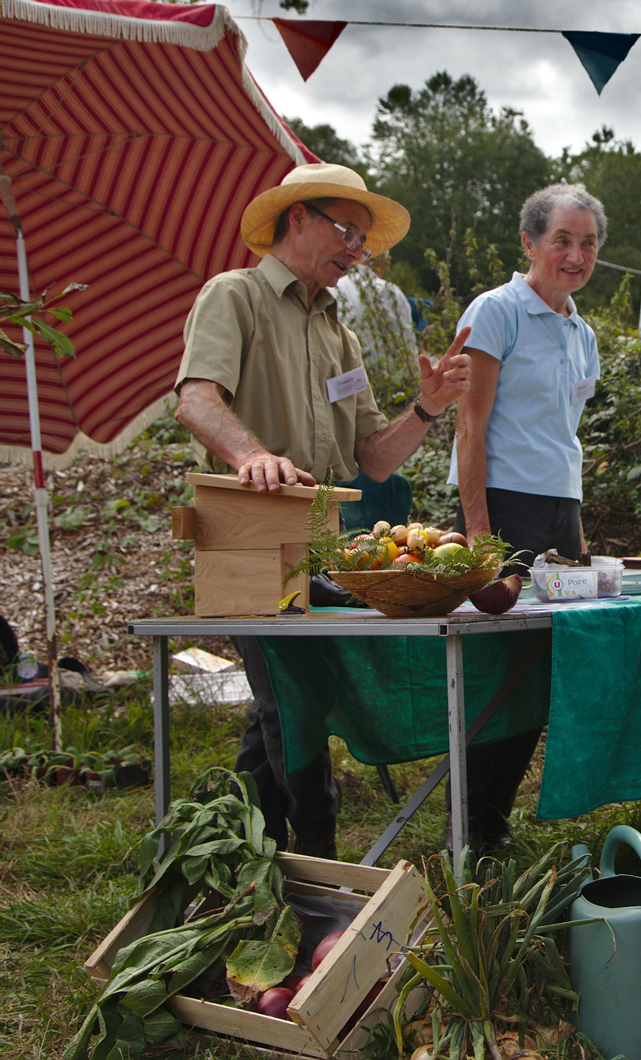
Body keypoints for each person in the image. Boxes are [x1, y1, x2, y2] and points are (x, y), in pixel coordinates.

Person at [174, 163, 472, 857]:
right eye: (346, 231)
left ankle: (241, 849)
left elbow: (372, 458)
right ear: (297, 218)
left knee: (287, 694)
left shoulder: (341, 330)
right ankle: (316, 847)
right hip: (248, 537)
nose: (355, 252)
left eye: (364, 242)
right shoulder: (235, 296)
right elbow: (195, 399)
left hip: (325, 539)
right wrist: (252, 455)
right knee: (290, 697)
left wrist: (428, 407)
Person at [450, 183, 605, 850]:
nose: (575, 255)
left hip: (557, 513)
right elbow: (470, 426)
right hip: (503, 504)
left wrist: (578, 532)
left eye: (588, 243)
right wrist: (479, 530)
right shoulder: (497, 312)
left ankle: (493, 814)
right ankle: (471, 821)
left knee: (541, 671)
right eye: (562, 240)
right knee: (493, 672)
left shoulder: (583, 332)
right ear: (530, 244)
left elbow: (561, 435)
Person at [335, 252, 420, 387]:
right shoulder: (391, 292)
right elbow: (407, 344)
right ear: (387, 261)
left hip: (343, 385)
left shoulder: (333, 289)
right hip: (388, 386)